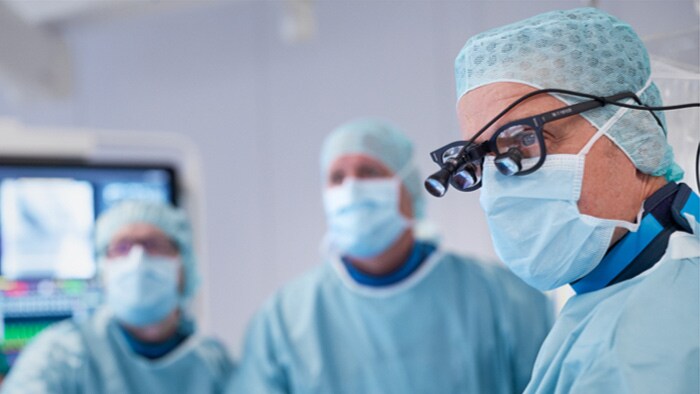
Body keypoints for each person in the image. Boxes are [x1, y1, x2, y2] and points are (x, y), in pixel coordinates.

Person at [441, 7, 700, 393]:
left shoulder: (656, 337)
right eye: (480, 158)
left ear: (632, 126)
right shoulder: (613, 296)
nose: (499, 184)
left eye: (525, 140)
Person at [229, 119, 553, 393]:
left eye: (369, 171)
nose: (352, 187)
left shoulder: (502, 299)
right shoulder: (284, 321)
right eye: (337, 177)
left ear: (409, 188)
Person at [2, 201, 234, 394]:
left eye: (153, 245)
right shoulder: (60, 356)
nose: (138, 259)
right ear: (104, 271)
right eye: (122, 248)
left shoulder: (215, 364)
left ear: (184, 266)